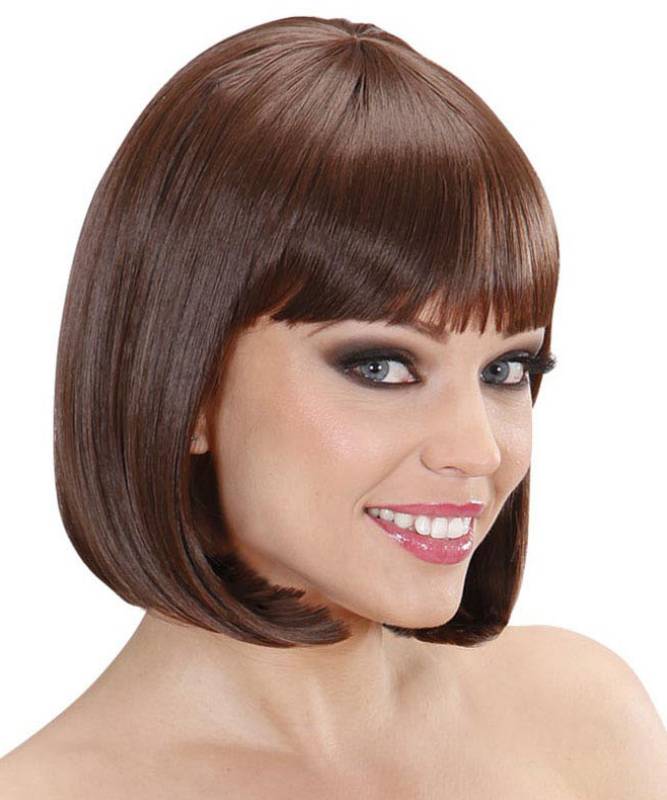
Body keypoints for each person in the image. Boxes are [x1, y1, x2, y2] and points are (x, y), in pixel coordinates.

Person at [2, 15, 666, 798]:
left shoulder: (582, 717)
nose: (478, 450)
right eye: (381, 367)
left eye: (506, 369)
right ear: (185, 386)